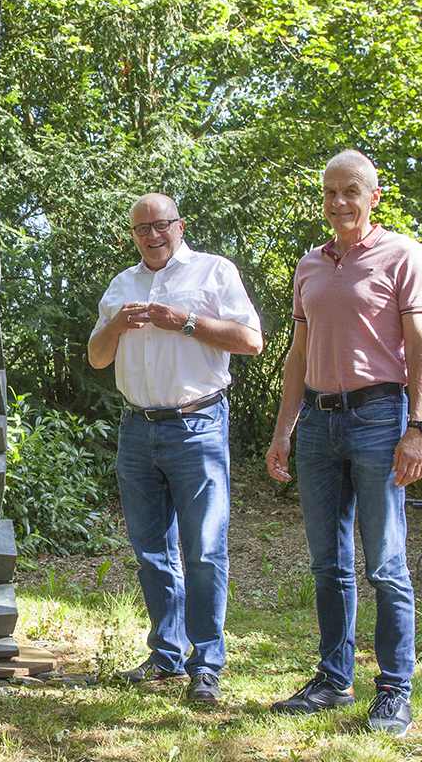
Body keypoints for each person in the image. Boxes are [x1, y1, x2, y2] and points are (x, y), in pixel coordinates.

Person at [266, 150, 422, 737]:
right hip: (316, 422)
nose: (339, 202)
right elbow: (296, 356)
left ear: (373, 196)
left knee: (386, 564)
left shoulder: (403, 254)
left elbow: (421, 348)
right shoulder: (309, 265)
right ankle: (334, 679)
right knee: (327, 564)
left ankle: (394, 689)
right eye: (330, 192)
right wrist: (284, 429)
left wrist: (419, 425)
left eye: (351, 192)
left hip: (380, 418)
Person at [88, 194, 263, 704]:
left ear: (179, 226)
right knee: (150, 551)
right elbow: (98, 358)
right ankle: (166, 655)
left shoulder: (213, 272)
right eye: (142, 228)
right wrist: (115, 325)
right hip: (137, 429)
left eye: (161, 225)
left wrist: (185, 322)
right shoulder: (122, 285)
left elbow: (251, 340)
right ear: (133, 235)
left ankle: (206, 662)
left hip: (198, 426)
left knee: (204, 549)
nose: (152, 235)